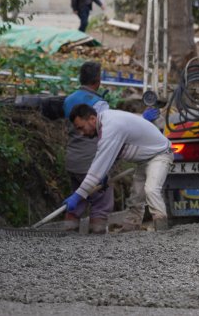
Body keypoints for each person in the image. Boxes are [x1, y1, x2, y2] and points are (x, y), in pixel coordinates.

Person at [64, 103, 174, 233]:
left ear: (92, 119)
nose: (81, 133)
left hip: (160, 154)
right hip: (145, 159)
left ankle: (161, 227)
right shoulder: (106, 123)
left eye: (81, 128)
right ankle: (131, 228)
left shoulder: (111, 126)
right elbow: (113, 155)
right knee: (137, 195)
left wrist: (78, 195)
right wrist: (105, 174)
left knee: (151, 189)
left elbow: (98, 167)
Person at [61, 62, 114, 233]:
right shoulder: (100, 104)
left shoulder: (68, 99)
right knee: (101, 199)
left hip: (72, 159)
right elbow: (107, 134)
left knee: (78, 196)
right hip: (91, 161)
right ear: (98, 80)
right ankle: (97, 233)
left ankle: (69, 230)